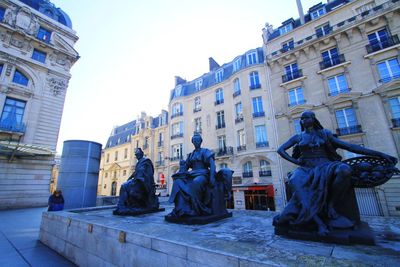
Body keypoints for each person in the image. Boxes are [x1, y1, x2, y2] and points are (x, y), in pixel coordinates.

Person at [273, 110, 397, 235]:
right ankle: (318, 222)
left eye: (307, 117)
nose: (304, 120)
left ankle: (331, 205)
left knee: (344, 169)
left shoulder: (324, 134)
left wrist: (380, 154)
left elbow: (350, 147)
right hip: (306, 167)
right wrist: (296, 161)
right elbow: (280, 150)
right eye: (302, 118)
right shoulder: (298, 137)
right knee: (295, 181)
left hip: (325, 165)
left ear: (313, 119)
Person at [168, 133, 216, 217]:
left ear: (200, 141)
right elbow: (185, 167)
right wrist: (181, 167)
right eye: (194, 141)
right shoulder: (191, 154)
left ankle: (197, 208)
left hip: (203, 174)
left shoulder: (205, 151)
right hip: (192, 174)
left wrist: (212, 177)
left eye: (197, 140)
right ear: (192, 142)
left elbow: (212, 164)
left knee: (196, 182)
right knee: (178, 182)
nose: (196, 142)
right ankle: (180, 209)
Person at [114, 148, 159, 214]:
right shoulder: (139, 163)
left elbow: (150, 173)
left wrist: (143, 178)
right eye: (136, 155)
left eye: (138, 154)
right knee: (124, 186)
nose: (137, 156)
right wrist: (130, 178)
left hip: (142, 182)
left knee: (125, 186)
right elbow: (136, 172)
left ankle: (122, 206)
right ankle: (121, 206)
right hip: (136, 180)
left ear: (142, 154)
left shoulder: (146, 161)